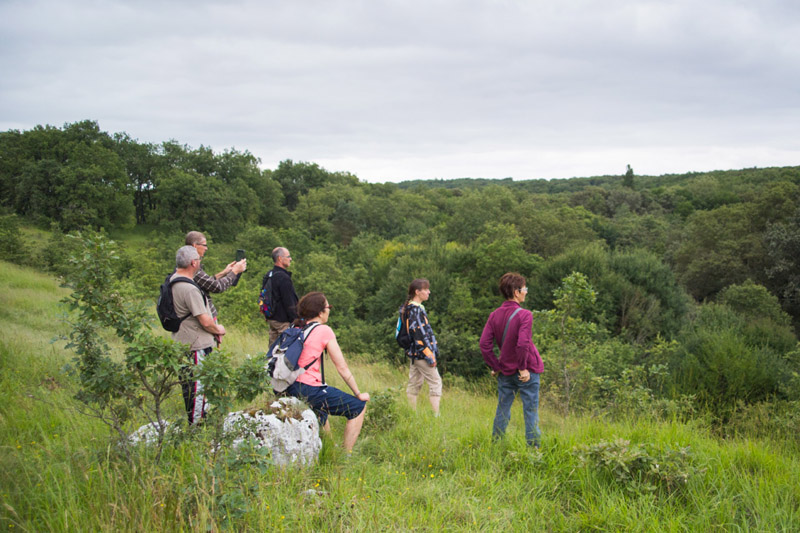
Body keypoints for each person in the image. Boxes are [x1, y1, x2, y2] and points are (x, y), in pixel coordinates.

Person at [284, 292, 370, 453]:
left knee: (321, 408)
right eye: (328, 307)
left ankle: (329, 449)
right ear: (320, 312)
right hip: (307, 387)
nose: (329, 310)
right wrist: (358, 394)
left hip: (288, 385)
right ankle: (346, 455)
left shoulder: (294, 327)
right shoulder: (324, 330)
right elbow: (342, 367)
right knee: (358, 408)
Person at [479, 272, 543, 448]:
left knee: (502, 409)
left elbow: (484, 345)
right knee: (530, 411)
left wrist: (496, 366)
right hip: (527, 371)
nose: (526, 292)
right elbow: (522, 344)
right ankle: (533, 451)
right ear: (516, 292)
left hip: (505, 371)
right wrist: (522, 367)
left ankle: (496, 447)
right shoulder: (525, 315)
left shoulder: (494, 315)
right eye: (524, 289)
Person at [171, 245, 227, 425]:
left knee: (191, 387)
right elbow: (205, 321)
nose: (200, 263)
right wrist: (219, 329)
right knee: (197, 389)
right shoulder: (189, 289)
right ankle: (196, 428)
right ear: (193, 263)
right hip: (196, 346)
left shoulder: (173, 280)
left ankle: (201, 423)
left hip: (182, 342)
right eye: (199, 260)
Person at [399, 278, 442, 416]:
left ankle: (412, 414)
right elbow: (419, 334)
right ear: (417, 292)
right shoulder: (415, 310)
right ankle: (436, 416)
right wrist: (429, 354)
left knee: (414, 383)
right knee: (436, 382)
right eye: (426, 289)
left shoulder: (408, 308)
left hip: (413, 353)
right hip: (421, 354)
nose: (429, 292)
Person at [184, 231, 247, 321]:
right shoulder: (192, 267)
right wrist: (234, 272)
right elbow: (217, 287)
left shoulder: (186, 263)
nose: (206, 248)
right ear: (195, 246)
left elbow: (206, 282)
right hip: (204, 316)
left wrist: (224, 272)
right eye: (204, 245)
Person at [265, 247, 299, 345]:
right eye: (288, 256)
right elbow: (289, 302)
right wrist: (296, 320)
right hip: (283, 322)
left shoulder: (269, 274)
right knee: (284, 350)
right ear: (280, 258)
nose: (290, 259)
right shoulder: (283, 277)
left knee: (272, 350)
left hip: (272, 319)